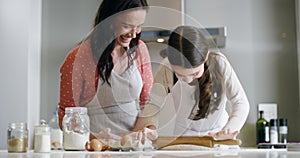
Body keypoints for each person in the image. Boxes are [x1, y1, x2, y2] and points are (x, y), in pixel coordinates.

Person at [58, 0, 157, 141]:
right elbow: (66, 115)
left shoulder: (140, 50)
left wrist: (142, 133)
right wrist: (95, 139)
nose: (134, 34)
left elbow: (148, 103)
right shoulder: (78, 58)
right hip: (94, 149)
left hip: (134, 147)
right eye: (126, 26)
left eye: (139, 27)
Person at [150, 25, 250, 140]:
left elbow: (240, 102)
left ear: (205, 57)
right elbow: (153, 103)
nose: (188, 80)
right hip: (183, 138)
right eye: (181, 75)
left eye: (195, 73)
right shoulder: (166, 67)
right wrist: (150, 127)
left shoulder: (219, 63)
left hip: (219, 135)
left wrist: (229, 130)